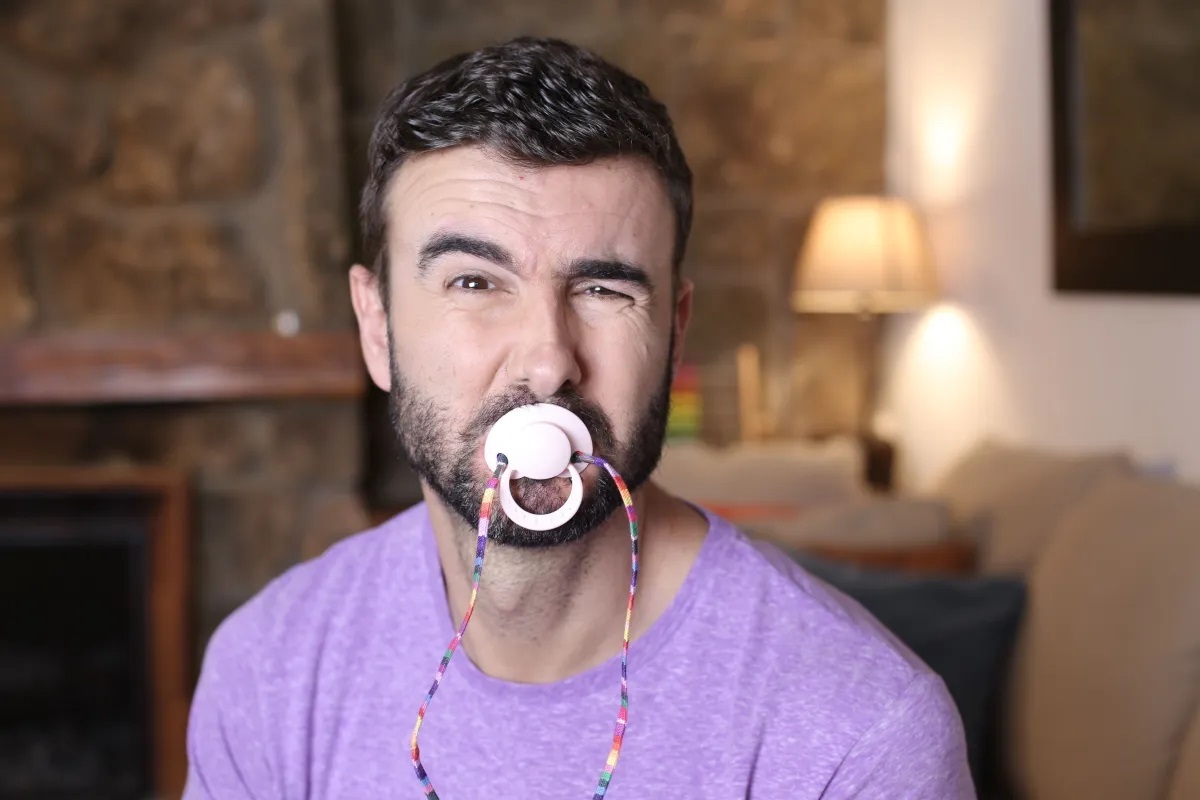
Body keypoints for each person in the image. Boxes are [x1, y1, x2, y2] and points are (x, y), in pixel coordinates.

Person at [184, 37, 974, 799]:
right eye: (473, 283)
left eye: (603, 290)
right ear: (376, 328)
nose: (547, 361)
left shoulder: (862, 730)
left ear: (675, 333)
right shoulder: (268, 670)